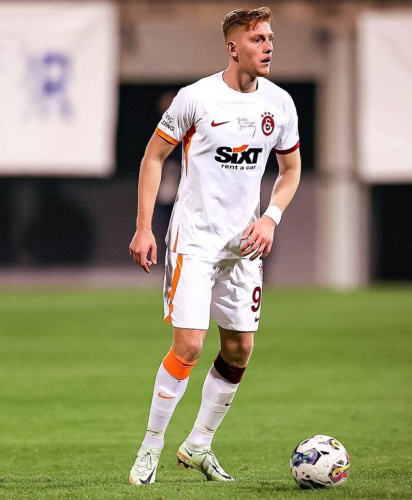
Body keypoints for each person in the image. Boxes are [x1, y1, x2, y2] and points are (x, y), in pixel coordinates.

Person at [128, 6, 301, 485]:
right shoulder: (197, 98)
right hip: (195, 240)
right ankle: (150, 448)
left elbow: (290, 171)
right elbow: (153, 157)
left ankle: (199, 444)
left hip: (243, 245)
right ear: (232, 47)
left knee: (240, 349)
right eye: (257, 39)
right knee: (188, 346)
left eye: (270, 38)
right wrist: (143, 227)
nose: (268, 46)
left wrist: (270, 218)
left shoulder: (280, 104)